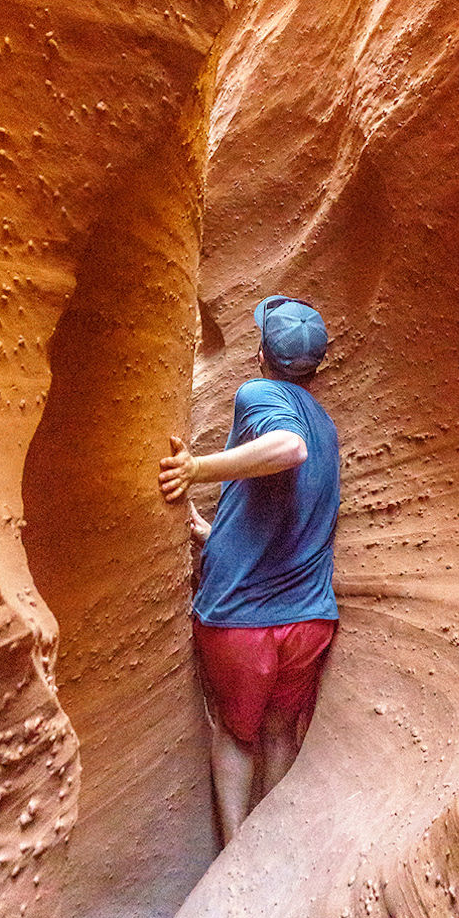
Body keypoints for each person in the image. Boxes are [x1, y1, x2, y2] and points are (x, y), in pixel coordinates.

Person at [158, 295, 340, 845]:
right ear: (318, 367)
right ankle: (269, 853)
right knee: (282, 733)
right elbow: (289, 512)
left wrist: (196, 468)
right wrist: (216, 537)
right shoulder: (328, 427)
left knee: (236, 735)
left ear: (261, 353)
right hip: (308, 621)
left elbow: (286, 450)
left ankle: (236, 856)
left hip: (241, 622)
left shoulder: (258, 394)